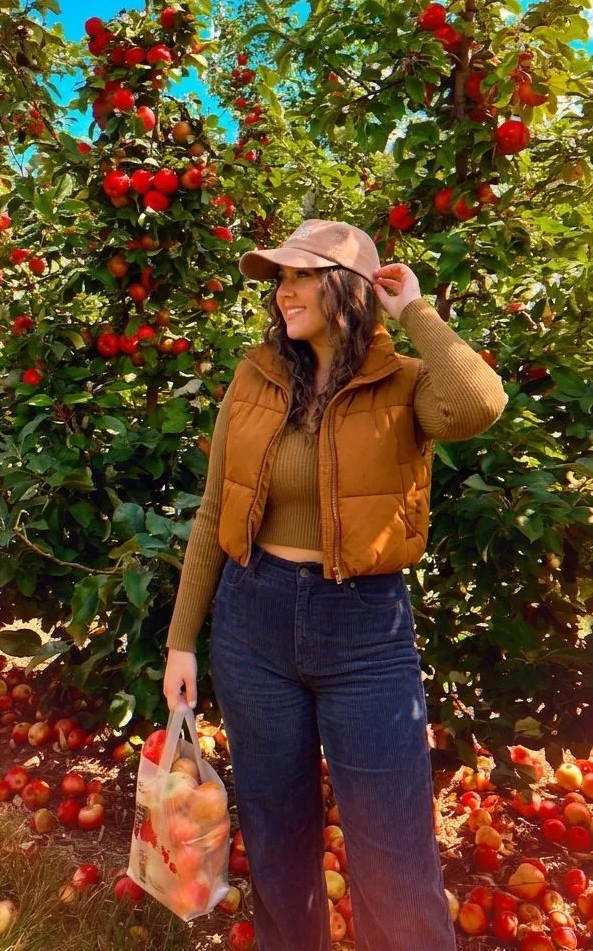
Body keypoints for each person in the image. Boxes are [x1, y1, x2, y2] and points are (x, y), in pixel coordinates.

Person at [163, 219, 508, 950]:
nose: (283, 291)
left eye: (300, 275)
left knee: (392, 854)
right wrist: (180, 641)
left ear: (346, 287)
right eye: (278, 278)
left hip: (364, 633)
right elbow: (211, 512)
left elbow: (479, 403)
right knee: (277, 841)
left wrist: (412, 309)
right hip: (251, 620)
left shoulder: (406, 385)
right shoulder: (254, 377)